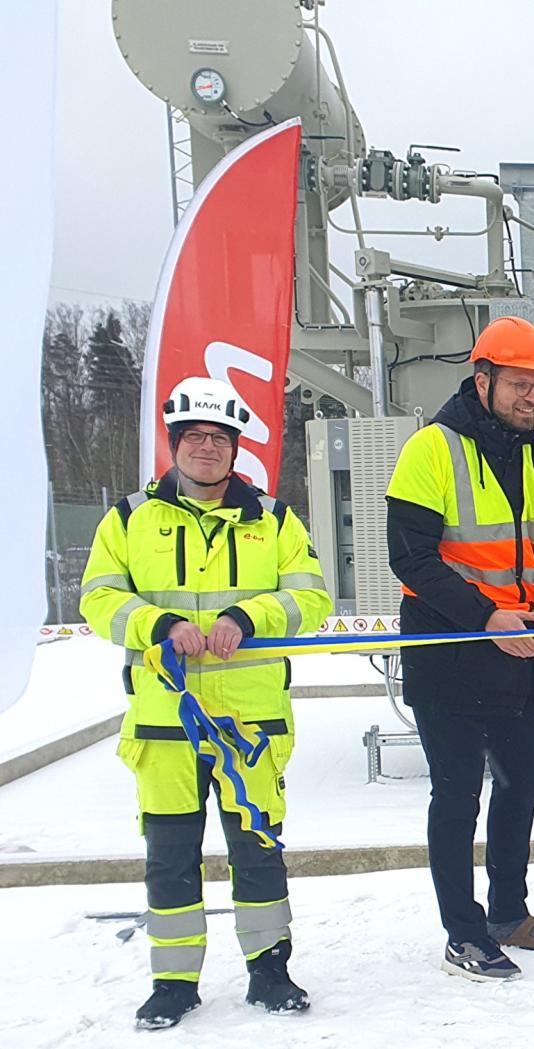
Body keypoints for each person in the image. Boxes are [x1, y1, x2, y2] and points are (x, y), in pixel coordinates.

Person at [80, 377, 331, 1030]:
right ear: (174, 444)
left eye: (219, 438)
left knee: (257, 848)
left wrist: (249, 617)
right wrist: (160, 625)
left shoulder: (273, 519)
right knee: (170, 854)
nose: (206, 448)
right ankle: (173, 981)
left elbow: (312, 596)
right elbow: (98, 597)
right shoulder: (130, 517)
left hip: (250, 722)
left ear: (235, 447)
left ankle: (270, 970)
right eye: (193, 436)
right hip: (166, 722)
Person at [385, 316, 534, 981]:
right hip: (452, 654)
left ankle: (509, 912)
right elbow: (412, 557)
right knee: (456, 798)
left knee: (520, 785)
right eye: (518, 384)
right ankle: (464, 931)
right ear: (482, 380)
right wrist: (487, 616)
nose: (531, 397)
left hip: (519, 659)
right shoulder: (431, 449)